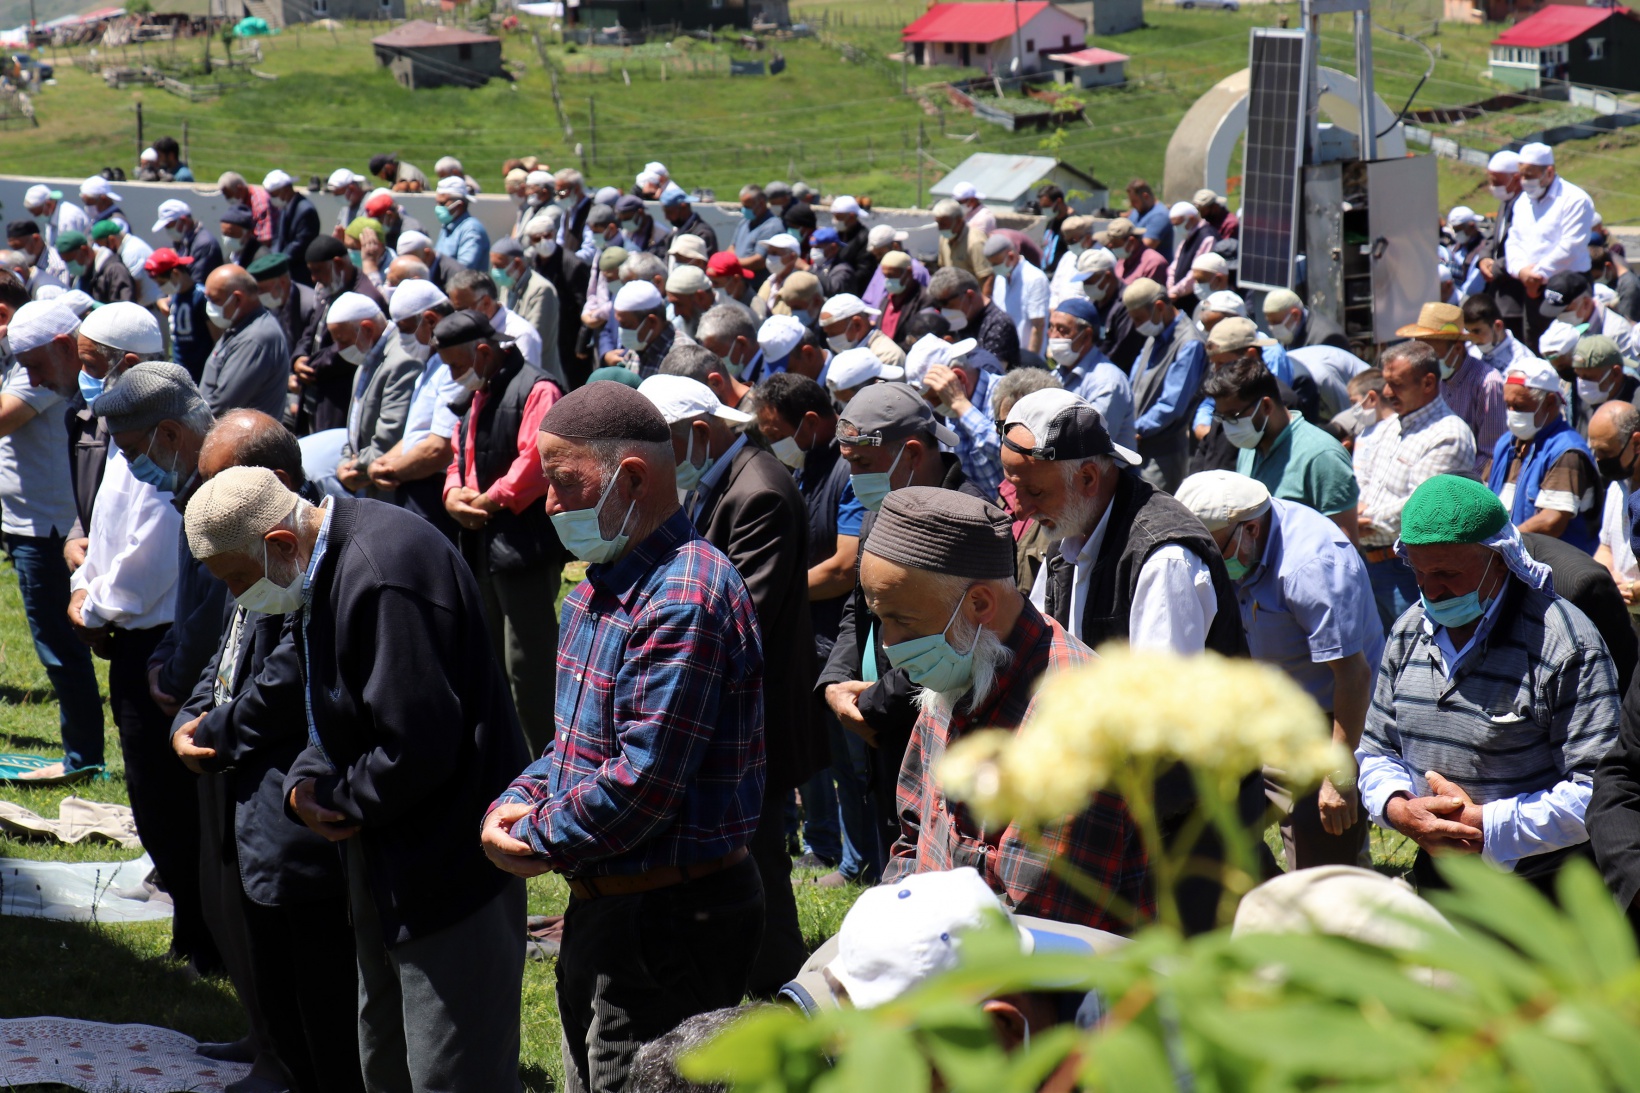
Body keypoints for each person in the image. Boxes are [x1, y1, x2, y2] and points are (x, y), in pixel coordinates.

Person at [190, 461, 529, 1091]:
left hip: (446, 864)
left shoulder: (383, 572)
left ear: (280, 544)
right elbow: (329, 699)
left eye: (239, 579)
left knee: (450, 1071)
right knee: (387, 1061)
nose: (240, 598)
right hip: (386, 854)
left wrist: (336, 797)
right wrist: (305, 783)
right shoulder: (324, 562)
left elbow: (417, 746)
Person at [481, 381, 766, 1093]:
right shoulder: (599, 587)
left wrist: (533, 835)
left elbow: (643, 783)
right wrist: (517, 799)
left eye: (562, 483)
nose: (548, 504)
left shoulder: (682, 595)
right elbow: (573, 747)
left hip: (668, 922)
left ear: (632, 477)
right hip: (610, 902)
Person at [167, 409, 361, 1093]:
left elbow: (289, 672)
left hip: (280, 771)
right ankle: (266, 1043)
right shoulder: (243, 545)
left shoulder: (299, 558)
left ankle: (292, 1065)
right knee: (239, 917)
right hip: (230, 758)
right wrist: (193, 714)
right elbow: (224, 649)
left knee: (298, 945)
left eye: (220, 482)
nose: (204, 497)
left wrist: (216, 731)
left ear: (270, 483)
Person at [865, 487, 1150, 931]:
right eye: (880, 618)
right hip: (936, 950)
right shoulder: (962, 667)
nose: (890, 644)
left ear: (979, 604)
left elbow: (1036, 930)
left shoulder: (1075, 722)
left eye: (902, 621)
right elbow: (911, 838)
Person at [639, 373, 820, 994]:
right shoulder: (719, 482)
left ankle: (784, 991)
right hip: (732, 711)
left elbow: (743, 610)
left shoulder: (757, 492)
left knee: (762, 853)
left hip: (755, 716)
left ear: (696, 433)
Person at [1357, 474, 1618, 895]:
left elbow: (1599, 791)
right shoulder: (1409, 631)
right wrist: (1399, 808)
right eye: (1419, 572)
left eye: (1446, 573)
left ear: (1499, 560)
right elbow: (1376, 750)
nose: (1431, 590)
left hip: (1545, 890)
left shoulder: (1563, 644)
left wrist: (1487, 826)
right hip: (1442, 880)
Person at [1175, 471, 1382, 869]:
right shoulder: (1241, 542)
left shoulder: (1312, 567)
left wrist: (1338, 777)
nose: (1207, 562)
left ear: (1249, 529)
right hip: (1267, 714)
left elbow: (1353, 678)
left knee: (1323, 868)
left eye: (1214, 551)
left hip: (1331, 723)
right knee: (1209, 834)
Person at [753, 372, 878, 884]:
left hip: (845, 637)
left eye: (775, 429)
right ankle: (849, 855)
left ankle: (866, 860)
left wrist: (775, 590)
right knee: (834, 759)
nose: (771, 442)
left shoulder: (845, 474)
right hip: (818, 636)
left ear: (809, 421)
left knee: (856, 760)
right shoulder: (810, 467)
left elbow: (844, 566)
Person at [435, 310, 563, 759]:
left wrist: (490, 500)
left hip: (523, 546)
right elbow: (458, 455)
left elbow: (537, 461)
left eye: (455, 365)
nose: (453, 375)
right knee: (489, 660)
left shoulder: (537, 388)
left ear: (484, 352)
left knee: (527, 667)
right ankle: (507, 764)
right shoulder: (478, 392)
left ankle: (548, 766)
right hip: (482, 544)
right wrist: (453, 494)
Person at [0, 273, 104, 782]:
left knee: (61, 648)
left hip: (48, 527)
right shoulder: (41, 360)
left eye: (38, 368)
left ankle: (85, 758)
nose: (36, 379)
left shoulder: (51, 371)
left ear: (63, 347)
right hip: (35, 522)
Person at [1353, 340, 1477, 629]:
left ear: (1428, 382)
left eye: (1395, 384)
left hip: (1409, 569)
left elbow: (1423, 506)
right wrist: (1357, 510)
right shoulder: (1389, 427)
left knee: (1414, 652)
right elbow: (1366, 483)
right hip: (1372, 563)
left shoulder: (1448, 435)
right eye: (1385, 383)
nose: (1386, 392)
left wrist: (1363, 519)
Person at [1202, 355, 1359, 543]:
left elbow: (1344, 542)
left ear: (1266, 405)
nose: (1229, 426)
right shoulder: (1250, 446)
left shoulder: (1322, 456)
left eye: (1233, 416)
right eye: (1222, 417)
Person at [369, 280, 462, 539]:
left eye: (406, 329)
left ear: (430, 320)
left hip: (433, 489)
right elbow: (417, 434)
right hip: (415, 483)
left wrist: (389, 471)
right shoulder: (432, 362)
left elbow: (439, 448)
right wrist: (382, 462)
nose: (402, 339)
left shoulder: (452, 368)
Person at [1487, 355, 1598, 552]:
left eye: (1520, 407)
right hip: (1513, 563)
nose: (1512, 413)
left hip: (1555, 570)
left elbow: (1551, 522)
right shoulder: (1507, 444)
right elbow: (1484, 495)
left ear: (1549, 403)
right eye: (1508, 406)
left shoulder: (1567, 452)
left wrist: (1501, 545)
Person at [329, 292, 421, 501]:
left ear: (367, 329)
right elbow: (354, 426)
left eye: (343, 341)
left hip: (387, 485)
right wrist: (344, 463)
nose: (339, 350)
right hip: (365, 475)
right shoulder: (367, 356)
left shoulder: (401, 359)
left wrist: (355, 468)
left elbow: (391, 432)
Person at [1504, 143, 1596, 350]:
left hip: (1569, 289)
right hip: (1532, 288)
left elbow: (1571, 246)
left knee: (1574, 348)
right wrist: (1521, 271)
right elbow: (1514, 241)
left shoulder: (1575, 200)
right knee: (1536, 344)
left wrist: (1536, 275)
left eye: (1530, 175)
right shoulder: (1522, 202)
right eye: (1521, 176)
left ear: (1549, 172)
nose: (1525, 181)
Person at [1124, 277, 1206, 492]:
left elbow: (1172, 405)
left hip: (1162, 454)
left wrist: (1135, 428)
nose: (1136, 326)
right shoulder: (1157, 333)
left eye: (1139, 319)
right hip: (1137, 443)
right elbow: (1136, 381)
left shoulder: (1189, 344)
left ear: (1159, 307)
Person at [200, 264, 289, 420]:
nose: (209, 306)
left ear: (237, 299)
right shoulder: (238, 326)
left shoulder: (254, 339)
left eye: (215, 300)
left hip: (243, 441)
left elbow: (222, 408)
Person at [1046, 296, 1135, 449]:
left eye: (1062, 330)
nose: (1053, 336)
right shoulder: (1057, 374)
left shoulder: (1108, 381)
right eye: (1052, 328)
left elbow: (1089, 438)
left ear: (1087, 335)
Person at [491, 236, 565, 389]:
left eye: (499, 266)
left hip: (541, 376)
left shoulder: (541, 290)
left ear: (517, 263)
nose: (495, 271)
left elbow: (534, 336)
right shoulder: (508, 285)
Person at [1591, 400, 1640, 626]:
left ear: (1636, 443)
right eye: (1596, 452)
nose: (1600, 460)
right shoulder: (1617, 485)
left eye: (1606, 452)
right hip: (1620, 614)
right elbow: (1606, 545)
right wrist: (1608, 576)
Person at [247, 252, 319, 386]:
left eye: (262, 289)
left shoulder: (308, 306)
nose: (259, 295)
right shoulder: (267, 304)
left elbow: (308, 350)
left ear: (283, 282)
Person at [927, 266, 1019, 370]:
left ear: (970, 296)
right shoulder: (962, 321)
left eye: (947, 304)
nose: (944, 311)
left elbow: (992, 371)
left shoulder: (999, 324)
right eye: (939, 305)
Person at [1540, 270, 1640, 361]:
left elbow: (1629, 375)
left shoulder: (1616, 332)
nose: (1559, 317)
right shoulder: (1559, 325)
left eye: (1565, 310)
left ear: (1586, 303)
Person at [983, 234, 1049, 356]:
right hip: (1003, 355)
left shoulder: (1034, 278)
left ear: (1011, 256)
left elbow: (1038, 326)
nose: (994, 268)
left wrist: (1030, 362)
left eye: (996, 264)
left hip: (1024, 358)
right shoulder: (1000, 279)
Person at [613, 279, 685, 377]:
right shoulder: (640, 344)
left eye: (626, 325)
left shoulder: (680, 358)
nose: (622, 331)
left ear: (652, 322)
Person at [1572, 334, 1639, 437]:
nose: (1583, 384)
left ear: (1615, 373)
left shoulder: (1636, 406)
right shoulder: (1588, 401)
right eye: (1579, 376)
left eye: (1588, 378)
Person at [265, 170, 321, 288]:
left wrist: (277, 262)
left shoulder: (306, 211)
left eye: (274, 195)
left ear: (285, 189)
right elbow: (278, 237)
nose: (272, 199)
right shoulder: (286, 206)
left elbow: (300, 244)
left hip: (300, 275)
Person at [1463, 291, 1540, 374]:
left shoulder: (1523, 362)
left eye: (1476, 331)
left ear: (1498, 326)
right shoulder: (1467, 349)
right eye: (1467, 330)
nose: (1471, 338)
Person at [152, 199, 224, 281]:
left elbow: (199, 281)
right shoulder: (182, 241)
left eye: (169, 226)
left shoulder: (204, 244)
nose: (167, 230)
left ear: (184, 221)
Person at [57, 230, 135, 305]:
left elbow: (125, 306)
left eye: (71, 261)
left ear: (84, 250)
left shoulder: (114, 270)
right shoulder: (80, 278)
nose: (70, 267)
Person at [1165, 201, 1218, 307]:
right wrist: (1171, 287)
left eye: (1178, 224)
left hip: (1195, 302)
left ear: (1191, 218)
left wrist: (1177, 291)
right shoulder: (1188, 238)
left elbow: (1196, 273)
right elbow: (1174, 265)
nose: (1176, 228)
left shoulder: (1207, 238)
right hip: (1179, 298)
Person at [932, 198, 990, 295]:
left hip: (973, 300)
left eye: (944, 224)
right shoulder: (944, 238)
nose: (940, 228)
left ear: (959, 221)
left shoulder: (975, 242)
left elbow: (987, 277)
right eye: (938, 224)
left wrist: (983, 306)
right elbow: (943, 269)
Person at [431, 177, 491, 272]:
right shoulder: (446, 226)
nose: (438, 207)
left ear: (459, 205)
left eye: (442, 204)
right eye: (437, 203)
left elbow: (464, 269)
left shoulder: (471, 229)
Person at [1263, 288, 1350, 352]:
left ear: (1295, 315)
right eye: (1269, 323)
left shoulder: (1328, 338)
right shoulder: (1291, 333)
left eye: (1276, 323)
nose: (1272, 328)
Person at [732, 184, 785, 278]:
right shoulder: (745, 222)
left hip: (757, 286)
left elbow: (759, 261)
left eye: (747, 207)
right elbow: (732, 247)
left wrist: (731, 264)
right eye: (743, 206)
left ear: (761, 204)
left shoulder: (771, 226)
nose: (744, 210)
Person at [218, 171, 276, 248]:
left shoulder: (260, 203)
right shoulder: (243, 200)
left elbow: (265, 238)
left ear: (240, 188)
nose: (229, 200)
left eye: (229, 196)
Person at [1104, 218, 1168, 287]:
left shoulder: (1153, 263)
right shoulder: (1123, 260)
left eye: (1115, 244)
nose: (1111, 246)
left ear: (1131, 241)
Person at [22, 183, 89, 249]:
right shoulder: (51, 217)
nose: (35, 216)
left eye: (38, 213)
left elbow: (72, 249)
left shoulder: (69, 217)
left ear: (48, 204)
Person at [1125, 178, 1173, 258]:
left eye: (1134, 201)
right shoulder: (1136, 212)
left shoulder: (1160, 215)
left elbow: (1146, 247)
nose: (1132, 205)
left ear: (1145, 196)